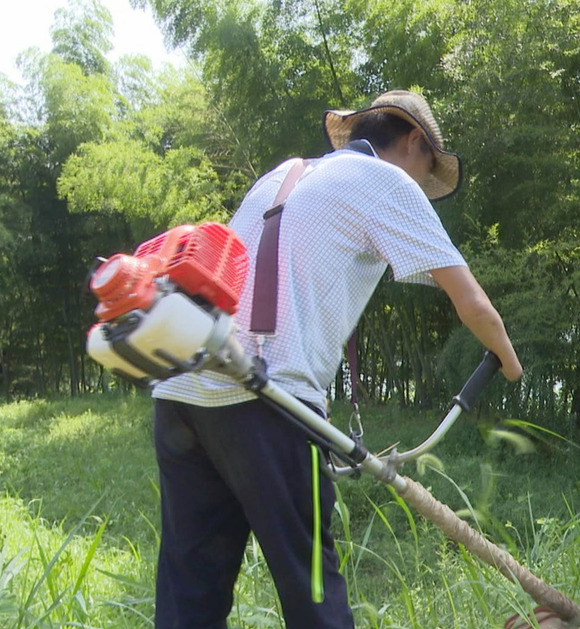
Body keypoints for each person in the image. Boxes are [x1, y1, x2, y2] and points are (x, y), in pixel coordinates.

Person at [150, 89, 523, 629]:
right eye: (426, 170)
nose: (421, 184)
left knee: (191, 594)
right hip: (269, 399)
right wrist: (508, 362)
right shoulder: (387, 181)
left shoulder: (284, 174)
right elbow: (473, 302)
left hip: (183, 388)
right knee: (314, 596)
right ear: (414, 141)